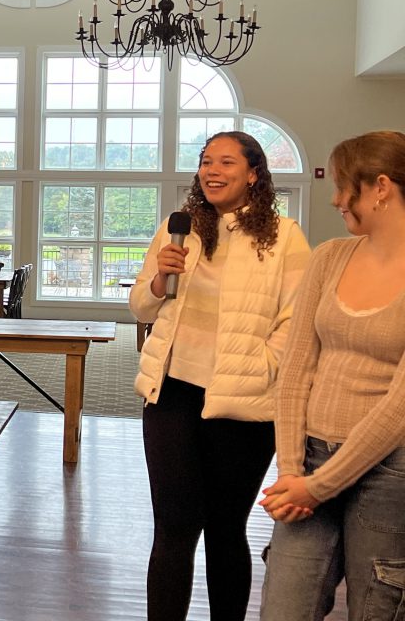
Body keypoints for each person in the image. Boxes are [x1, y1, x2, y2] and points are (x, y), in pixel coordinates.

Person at [128, 130, 312, 621]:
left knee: (226, 529)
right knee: (173, 526)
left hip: (244, 401)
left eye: (226, 162)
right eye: (206, 161)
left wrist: (262, 366)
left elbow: (297, 319)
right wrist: (160, 278)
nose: (212, 170)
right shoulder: (178, 227)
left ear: (254, 173)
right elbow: (141, 306)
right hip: (172, 393)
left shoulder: (284, 236)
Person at [259, 131, 405, 621]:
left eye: (345, 186)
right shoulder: (329, 257)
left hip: (390, 471)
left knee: (377, 609)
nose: (336, 198)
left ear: (380, 187)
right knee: (284, 608)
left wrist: (318, 488)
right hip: (309, 460)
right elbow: (295, 369)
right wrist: (291, 470)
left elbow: (400, 408)